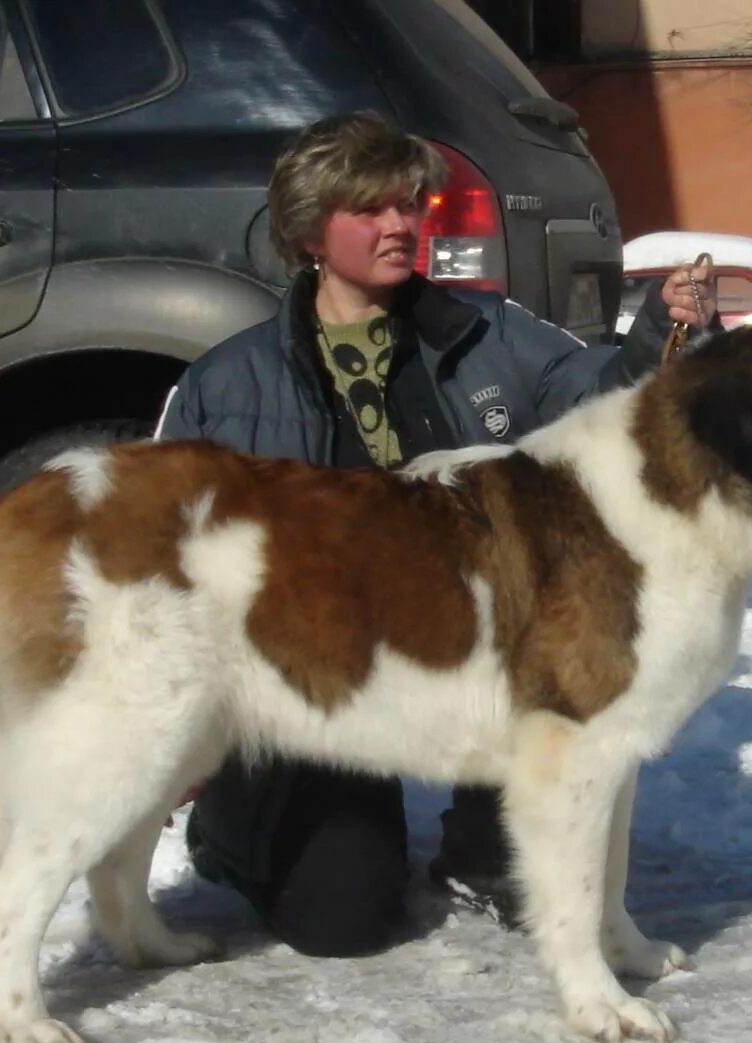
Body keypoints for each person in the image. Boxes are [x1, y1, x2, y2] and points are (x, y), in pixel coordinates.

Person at [155, 111, 718, 958]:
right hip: (319, 677)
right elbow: (175, 561)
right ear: (309, 229)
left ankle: (481, 847)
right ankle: (240, 826)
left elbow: (600, 405)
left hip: (476, 653)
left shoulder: (486, 332)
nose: (400, 226)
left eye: (410, 205)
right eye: (371, 209)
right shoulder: (228, 382)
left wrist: (660, 330)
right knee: (340, 919)